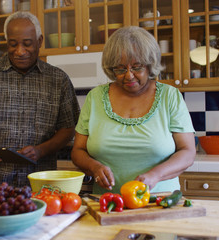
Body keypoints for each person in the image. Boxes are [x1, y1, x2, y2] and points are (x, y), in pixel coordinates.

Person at [0, 11, 80, 187]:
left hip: (40, 182)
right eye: (12, 44)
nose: (20, 51)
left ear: (39, 41)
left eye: (27, 44)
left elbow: (68, 129)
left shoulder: (58, 80)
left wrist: (40, 150)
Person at [71, 26, 196, 194]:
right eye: (120, 68)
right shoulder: (95, 98)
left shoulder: (169, 96)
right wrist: (94, 167)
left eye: (137, 67)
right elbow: (78, 151)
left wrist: (156, 175)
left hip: (160, 201)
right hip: (108, 203)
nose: (128, 75)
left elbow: (188, 151)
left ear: (150, 65)